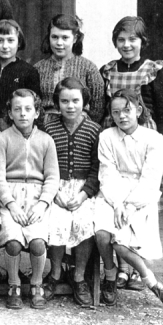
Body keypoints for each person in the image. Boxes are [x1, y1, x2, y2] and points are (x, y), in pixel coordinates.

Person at [99, 16, 163, 289]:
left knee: (140, 210)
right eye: (121, 39)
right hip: (116, 136)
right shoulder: (108, 69)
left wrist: (162, 141)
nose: (126, 45)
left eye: (132, 39)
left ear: (143, 42)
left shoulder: (152, 70)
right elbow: (104, 107)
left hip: (144, 138)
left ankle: (136, 265)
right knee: (115, 204)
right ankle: (121, 269)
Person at [94, 89, 163, 308]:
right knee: (102, 234)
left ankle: (151, 282)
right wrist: (118, 203)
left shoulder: (155, 139)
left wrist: (129, 205)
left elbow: (150, 179)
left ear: (139, 111)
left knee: (122, 244)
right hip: (112, 195)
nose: (122, 116)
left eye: (127, 110)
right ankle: (110, 275)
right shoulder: (106, 137)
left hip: (141, 197)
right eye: (116, 112)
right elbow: (107, 173)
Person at [0, 89, 59, 310]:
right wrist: (10, 204)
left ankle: (37, 284)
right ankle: (14, 284)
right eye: (17, 109)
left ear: (37, 112)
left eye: (28, 109)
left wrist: (43, 203)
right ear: (9, 113)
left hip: (37, 199)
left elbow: (52, 176)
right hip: (10, 198)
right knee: (13, 242)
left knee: (38, 242)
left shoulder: (46, 141)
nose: (23, 114)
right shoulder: (2, 139)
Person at [42, 78, 101, 308]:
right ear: (57, 102)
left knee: (84, 223)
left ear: (84, 101)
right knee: (57, 222)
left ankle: (79, 277)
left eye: (75, 100)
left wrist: (84, 194)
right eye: (64, 101)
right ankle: (55, 273)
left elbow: (97, 168)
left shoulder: (94, 130)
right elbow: (43, 163)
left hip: (83, 190)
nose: (70, 106)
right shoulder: (49, 128)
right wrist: (53, 191)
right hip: (55, 187)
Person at [34, 14, 104, 126]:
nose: (59, 43)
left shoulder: (88, 68)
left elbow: (98, 106)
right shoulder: (38, 68)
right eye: (55, 37)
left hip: (80, 126)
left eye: (65, 38)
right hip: (46, 127)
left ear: (75, 38)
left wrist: (85, 127)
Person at [0, 19, 41, 130]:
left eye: (10, 40)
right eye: (0, 40)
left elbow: (35, 104)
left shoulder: (28, 71)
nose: (5, 46)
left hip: (15, 128)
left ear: (18, 42)